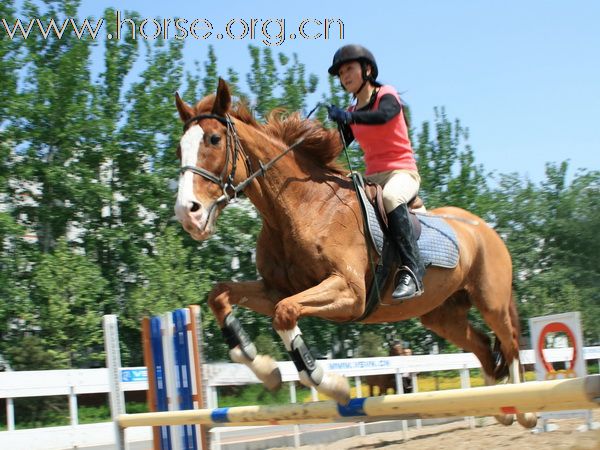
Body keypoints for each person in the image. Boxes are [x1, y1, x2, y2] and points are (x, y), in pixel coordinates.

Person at [326, 44, 425, 300]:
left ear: (367, 69)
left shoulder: (386, 96)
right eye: (341, 74)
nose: (344, 76)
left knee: (392, 198)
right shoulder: (351, 113)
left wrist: (350, 119)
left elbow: (383, 116)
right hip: (372, 178)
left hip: (401, 173)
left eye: (349, 69)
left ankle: (414, 271)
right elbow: (335, 146)